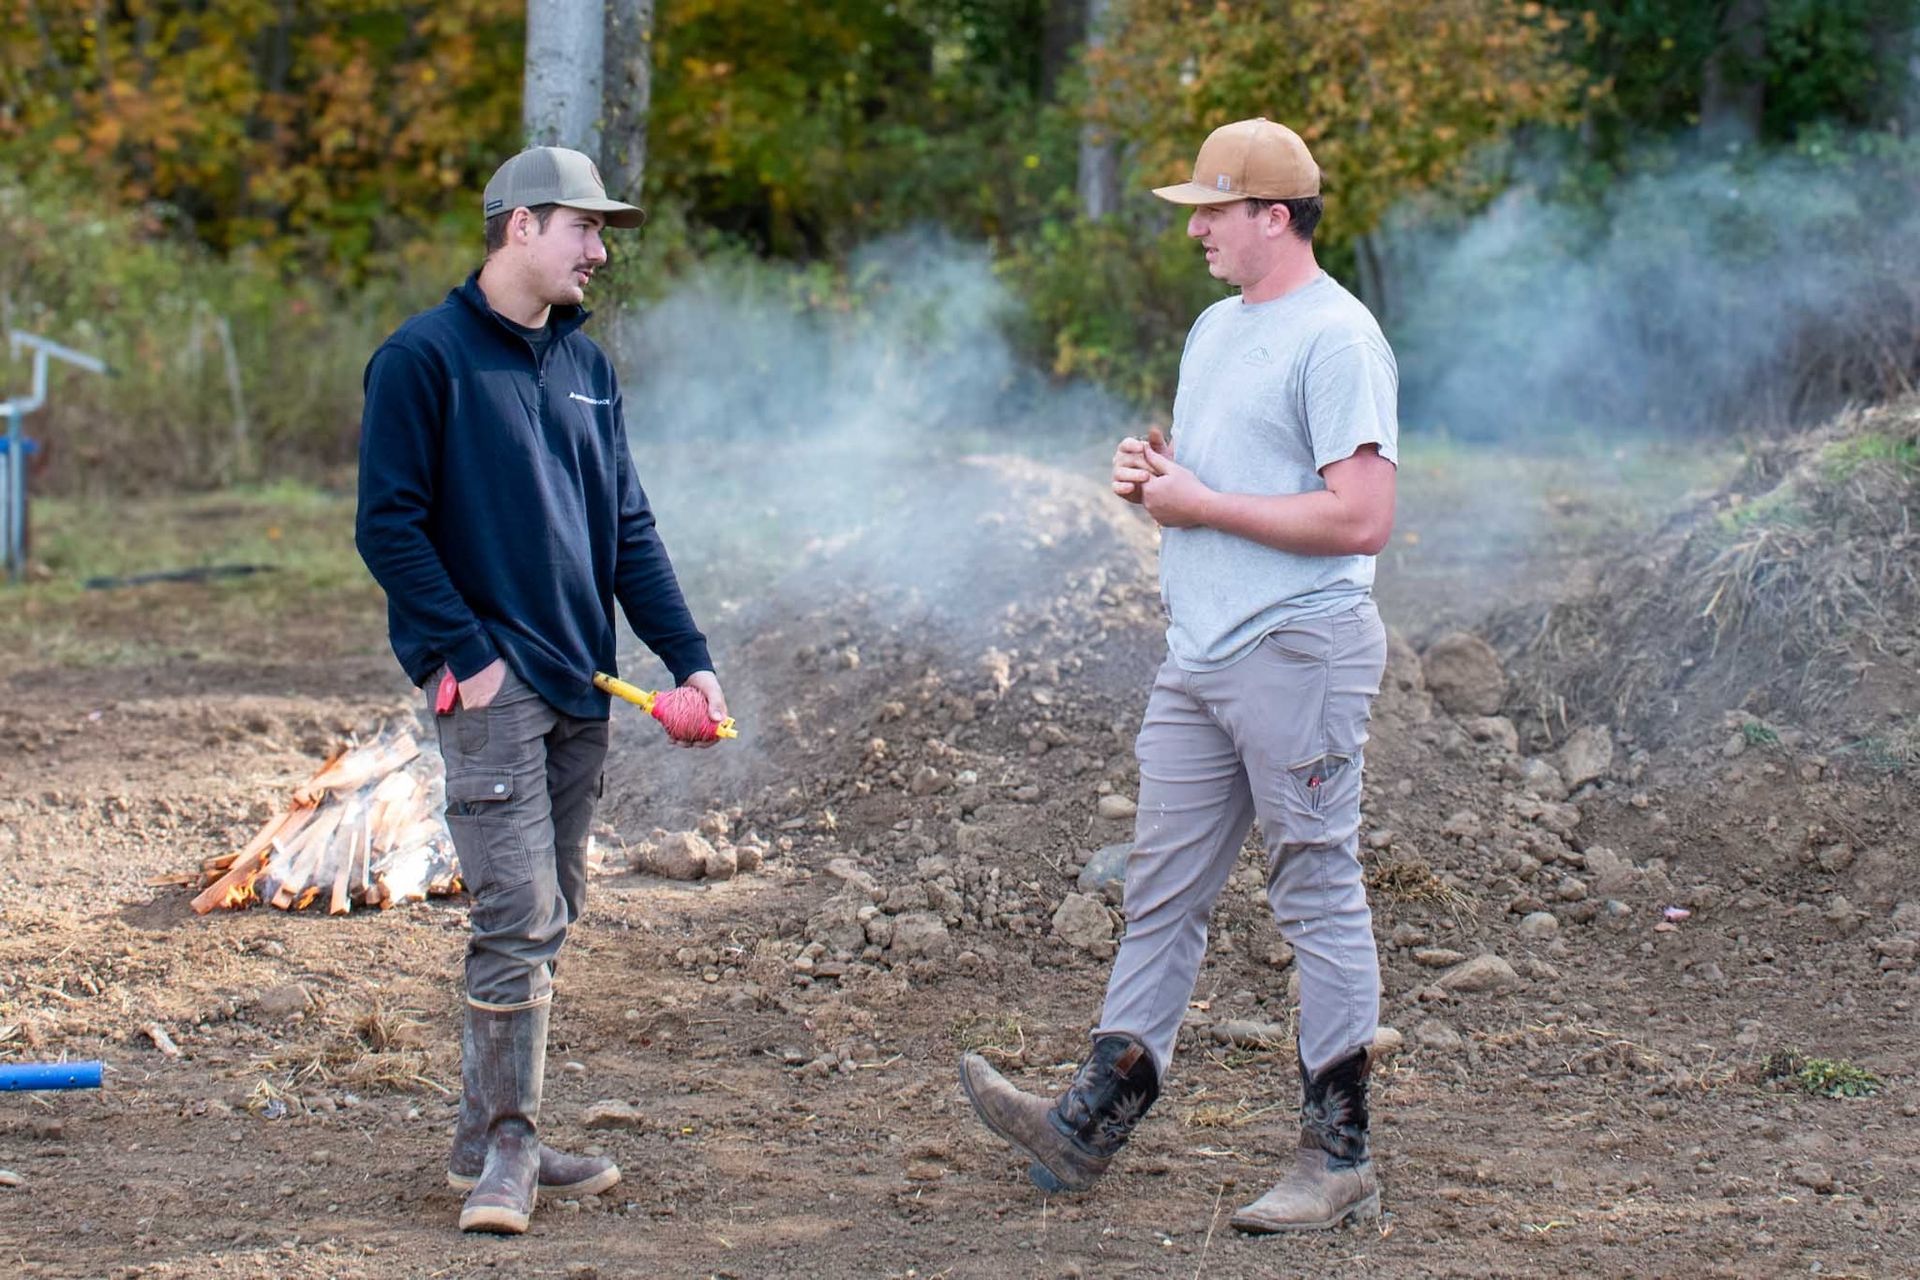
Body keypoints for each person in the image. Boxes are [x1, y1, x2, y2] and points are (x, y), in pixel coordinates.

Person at [959, 117, 1398, 1234]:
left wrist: (1200, 504)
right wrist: (1155, 477)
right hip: (1200, 656)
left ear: (1273, 215)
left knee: (1314, 880)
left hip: (1298, 649)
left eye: (1210, 208)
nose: (1194, 227)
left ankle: (1337, 1153)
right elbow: (1228, 482)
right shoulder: (1215, 328)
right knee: (1160, 887)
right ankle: (1091, 1117)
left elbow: (1362, 515)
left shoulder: (1338, 338)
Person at [355, 145, 729, 1235]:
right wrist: (465, 654)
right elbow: (388, 524)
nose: (601, 251)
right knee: (516, 912)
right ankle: (510, 1149)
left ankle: (489, 1130)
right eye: (585, 228)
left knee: (552, 907)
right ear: (520, 226)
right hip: (493, 690)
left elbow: (628, 528)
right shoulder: (422, 360)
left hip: (584, 682)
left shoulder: (586, 365)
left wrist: (686, 656)